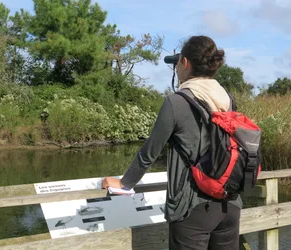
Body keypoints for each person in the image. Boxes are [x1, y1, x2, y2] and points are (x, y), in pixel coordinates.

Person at [102, 35, 241, 250]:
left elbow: (150, 152)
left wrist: (124, 183)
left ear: (185, 63)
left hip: (192, 208)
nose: (176, 70)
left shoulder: (176, 102)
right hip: (229, 205)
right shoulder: (227, 98)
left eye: (177, 64)